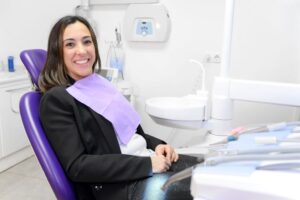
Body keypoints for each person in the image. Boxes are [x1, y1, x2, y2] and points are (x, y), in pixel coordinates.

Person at [38, 15, 199, 200]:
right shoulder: (57, 99)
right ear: (57, 52)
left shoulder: (100, 84)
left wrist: (158, 146)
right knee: (209, 189)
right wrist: (148, 165)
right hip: (121, 186)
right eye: (70, 44)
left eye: (87, 41)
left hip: (145, 161)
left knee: (212, 170)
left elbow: (130, 133)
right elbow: (78, 166)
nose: (82, 51)